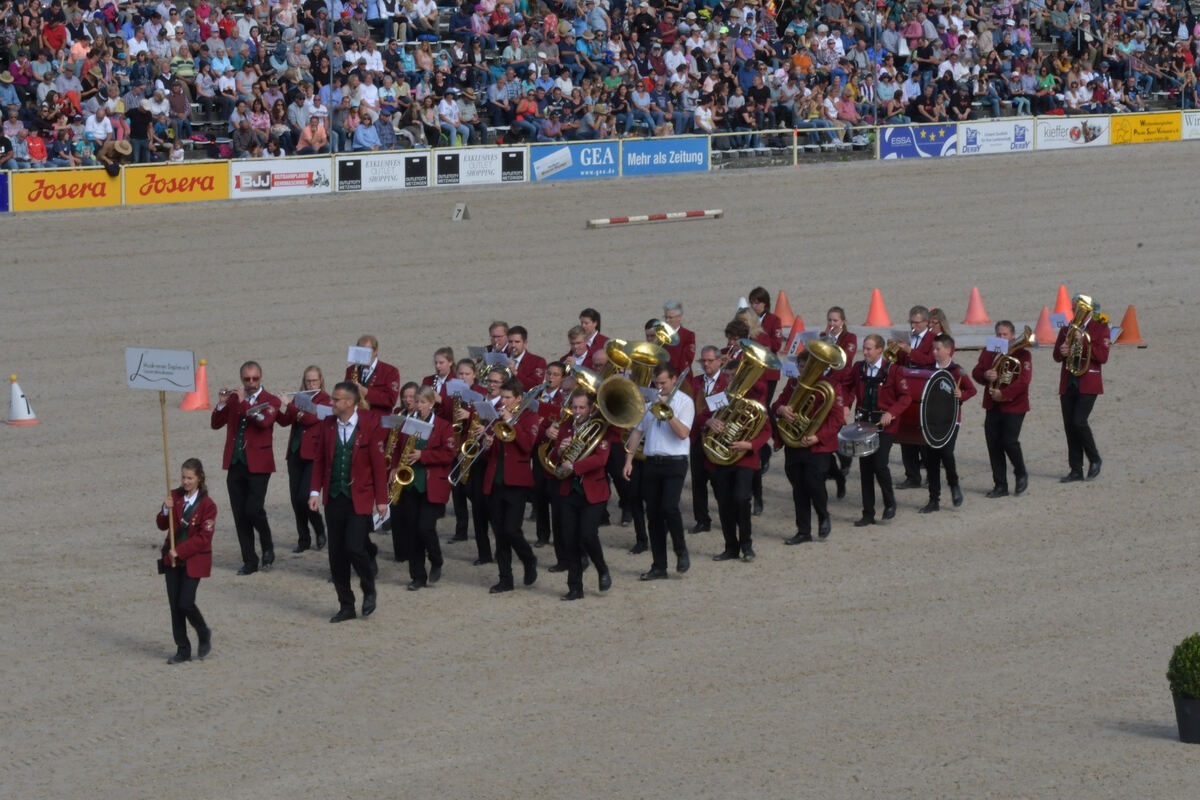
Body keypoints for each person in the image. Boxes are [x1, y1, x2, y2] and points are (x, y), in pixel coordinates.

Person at [308, 381, 389, 623]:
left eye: (336, 399)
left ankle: (368, 586)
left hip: (360, 497)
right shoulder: (328, 426)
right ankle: (346, 605)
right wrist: (314, 492)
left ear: (350, 402)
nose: (332, 403)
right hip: (334, 498)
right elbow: (320, 460)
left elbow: (377, 465)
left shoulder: (370, 424)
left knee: (354, 546)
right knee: (336, 556)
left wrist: (382, 501)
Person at [623, 363, 693, 580]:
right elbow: (637, 432)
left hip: (675, 462)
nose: (659, 387)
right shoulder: (650, 402)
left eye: (663, 383)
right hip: (652, 462)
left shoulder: (685, 402)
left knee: (669, 507)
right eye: (656, 383)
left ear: (673, 379)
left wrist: (668, 412)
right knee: (652, 515)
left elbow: (683, 433)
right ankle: (659, 565)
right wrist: (628, 460)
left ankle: (681, 550)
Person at [211, 361, 281, 575]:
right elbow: (215, 423)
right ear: (242, 379)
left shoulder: (271, 400)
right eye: (247, 379)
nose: (251, 383)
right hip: (236, 462)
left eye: (255, 379)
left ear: (261, 378)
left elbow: (263, 423)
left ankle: (267, 544)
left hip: (259, 464)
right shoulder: (234, 399)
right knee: (240, 514)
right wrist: (222, 403)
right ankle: (249, 560)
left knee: (253, 509)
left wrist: (241, 402)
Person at [776, 349, 848, 544]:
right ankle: (803, 531)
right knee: (798, 487)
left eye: (807, 367)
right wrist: (781, 409)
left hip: (817, 446)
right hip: (794, 442)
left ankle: (823, 515)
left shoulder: (831, 386)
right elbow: (777, 404)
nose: (803, 370)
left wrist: (818, 436)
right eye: (800, 366)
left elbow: (837, 419)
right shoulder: (793, 384)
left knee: (814, 483)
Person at [390, 386, 456, 591]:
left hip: (431, 484)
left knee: (425, 528)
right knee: (411, 531)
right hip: (410, 483)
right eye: (416, 402)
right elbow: (398, 448)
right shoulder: (409, 423)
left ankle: (436, 559)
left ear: (430, 403)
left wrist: (423, 456)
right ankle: (417, 576)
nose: (417, 406)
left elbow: (449, 454)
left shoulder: (444, 426)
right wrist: (394, 468)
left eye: (421, 402)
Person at [551, 389, 613, 600]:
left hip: (593, 491)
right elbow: (553, 456)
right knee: (569, 539)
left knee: (587, 535)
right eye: (574, 407)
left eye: (581, 408)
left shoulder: (600, 428)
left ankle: (602, 568)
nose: (577, 412)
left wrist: (575, 466)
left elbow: (600, 459)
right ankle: (575, 587)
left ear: (591, 408)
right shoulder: (567, 427)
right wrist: (559, 451)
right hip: (569, 490)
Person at [479, 378, 540, 593]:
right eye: (502, 397)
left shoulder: (530, 417)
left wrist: (511, 420)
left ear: (518, 399)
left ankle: (528, 558)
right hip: (495, 480)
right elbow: (490, 453)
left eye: (507, 398)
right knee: (499, 533)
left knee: (512, 530)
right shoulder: (496, 417)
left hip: (517, 482)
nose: (503, 402)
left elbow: (527, 446)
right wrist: (486, 444)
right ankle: (505, 578)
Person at [705, 374, 773, 564]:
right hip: (720, 454)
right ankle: (730, 547)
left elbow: (767, 429)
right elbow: (703, 414)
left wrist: (750, 445)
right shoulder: (721, 395)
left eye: (736, 376)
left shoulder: (754, 399)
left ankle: (747, 544)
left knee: (742, 498)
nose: (732, 379)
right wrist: (709, 422)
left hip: (744, 457)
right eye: (729, 376)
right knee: (724, 502)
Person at [845, 335, 911, 526]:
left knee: (880, 464)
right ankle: (868, 513)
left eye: (869, 349)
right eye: (864, 348)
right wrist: (846, 405)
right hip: (864, 425)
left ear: (880, 350)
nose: (865, 352)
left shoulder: (894, 370)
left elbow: (905, 397)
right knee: (865, 468)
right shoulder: (859, 368)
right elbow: (847, 387)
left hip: (885, 427)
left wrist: (891, 412)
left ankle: (890, 504)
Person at [156, 458, 216, 664]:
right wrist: (165, 509)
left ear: (199, 478)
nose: (185, 481)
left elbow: (203, 539)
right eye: (183, 477)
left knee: (185, 603)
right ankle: (182, 648)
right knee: (175, 606)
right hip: (172, 561)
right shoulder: (174, 496)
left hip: (193, 560)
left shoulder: (208, 506)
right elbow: (161, 525)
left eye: (190, 478)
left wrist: (179, 552)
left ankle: (203, 631)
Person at [1053, 295, 1110, 482]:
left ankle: (1095, 459)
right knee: (1070, 427)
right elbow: (1056, 356)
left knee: (1079, 422)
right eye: (1074, 307)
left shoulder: (1100, 328)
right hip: (1068, 382)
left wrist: (1083, 343)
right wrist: (1063, 351)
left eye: (1079, 307)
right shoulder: (1067, 328)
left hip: (1088, 383)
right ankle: (1076, 469)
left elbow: (1102, 356)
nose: (1075, 310)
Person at [972, 320, 1032, 498]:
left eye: (1005, 334)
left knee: (1009, 441)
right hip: (993, 405)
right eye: (998, 334)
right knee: (994, 445)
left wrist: (1004, 394)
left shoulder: (1023, 354)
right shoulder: (989, 350)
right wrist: (985, 375)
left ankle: (1020, 472)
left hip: (1014, 405)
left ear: (1012, 336)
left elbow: (1023, 381)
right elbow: (977, 371)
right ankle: (1000, 485)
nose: (1001, 337)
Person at [918, 335, 977, 513]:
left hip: (951, 421)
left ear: (948, 350)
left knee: (946, 453)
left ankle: (954, 484)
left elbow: (971, 389)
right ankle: (933, 500)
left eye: (938, 349)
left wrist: (961, 395)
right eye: (933, 349)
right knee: (931, 459)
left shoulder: (957, 370)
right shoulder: (928, 369)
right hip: (931, 420)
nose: (934, 352)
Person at [277, 366, 329, 552]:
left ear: (321, 381)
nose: (311, 384)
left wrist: (290, 406)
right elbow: (285, 421)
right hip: (295, 452)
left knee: (304, 497)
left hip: (313, 454)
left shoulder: (326, 400)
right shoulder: (300, 397)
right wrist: (274, 407)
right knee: (295, 499)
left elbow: (311, 419)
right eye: (308, 381)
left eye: (314, 380)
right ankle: (303, 539)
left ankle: (319, 527)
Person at [688, 345, 727, 533]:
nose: (706, 364)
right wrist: (706, 420)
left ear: (719, 361)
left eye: (710, 361)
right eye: (703, 361)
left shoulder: (727, 382)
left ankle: (727, 516)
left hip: (719, 440)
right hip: (698, 437)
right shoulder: (695, 382)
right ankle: (702, 519)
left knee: (719, 481)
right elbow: (688, 411)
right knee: (698, 481)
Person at [894, 304, 934, 488]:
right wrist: (896, 351)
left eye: (917, 323)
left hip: (924, 387)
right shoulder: (907, 337)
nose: (913, 326)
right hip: (907, 385)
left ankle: (931, 474)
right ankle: (912, 476)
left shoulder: (934, 339)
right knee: (906, 433)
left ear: (926, 322)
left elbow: (929, 360)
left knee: (925, 435)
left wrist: (910, 351)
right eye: (911, 322)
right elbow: (901, 362)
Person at [345, 334, 401, 417]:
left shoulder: (390, 371)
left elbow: (391, 400)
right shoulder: (351, 370)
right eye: (360, 351)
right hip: (356, 418)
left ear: (375, 351)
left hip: (377, 421)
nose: (362, 355)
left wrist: (366, 393)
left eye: (366, 352)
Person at [507, 325, 547, 391]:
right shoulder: (502, 357)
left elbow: (535, 387)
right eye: (510, 342)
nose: (513, 345)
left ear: (525, 343)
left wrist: (515, 372)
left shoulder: (538, 361)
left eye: (517, 342)